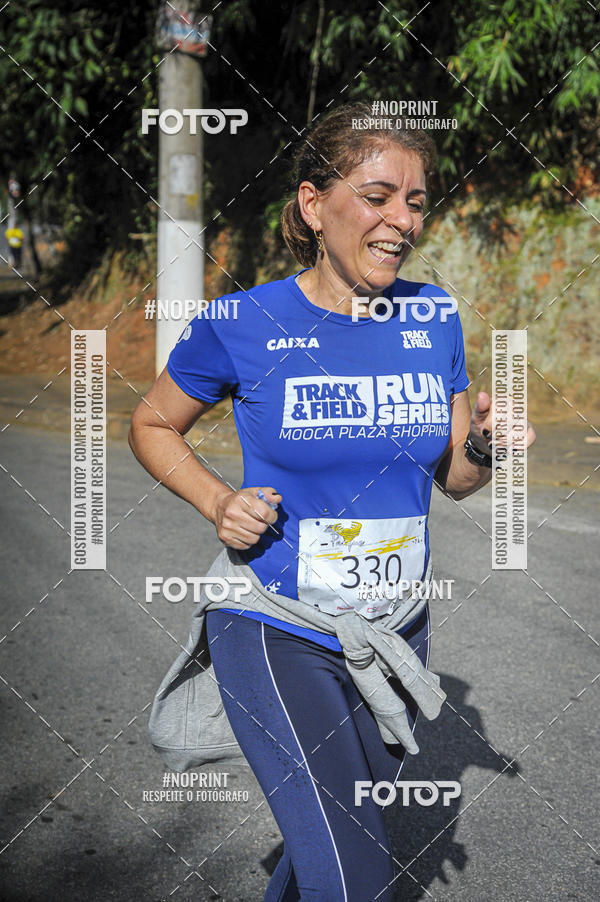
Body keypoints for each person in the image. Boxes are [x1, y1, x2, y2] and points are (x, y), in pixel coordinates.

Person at [129, 102, 535, 901]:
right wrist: (217, 500)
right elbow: (150, 422)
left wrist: (484, 448)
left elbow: (453, 475)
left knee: (334, 841)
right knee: (353, 872)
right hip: (277, 621)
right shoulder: (244, 321)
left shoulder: (431, 315)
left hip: (397, 629)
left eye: (416, 202)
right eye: (378, 195)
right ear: (316, 206)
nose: (402, 220)